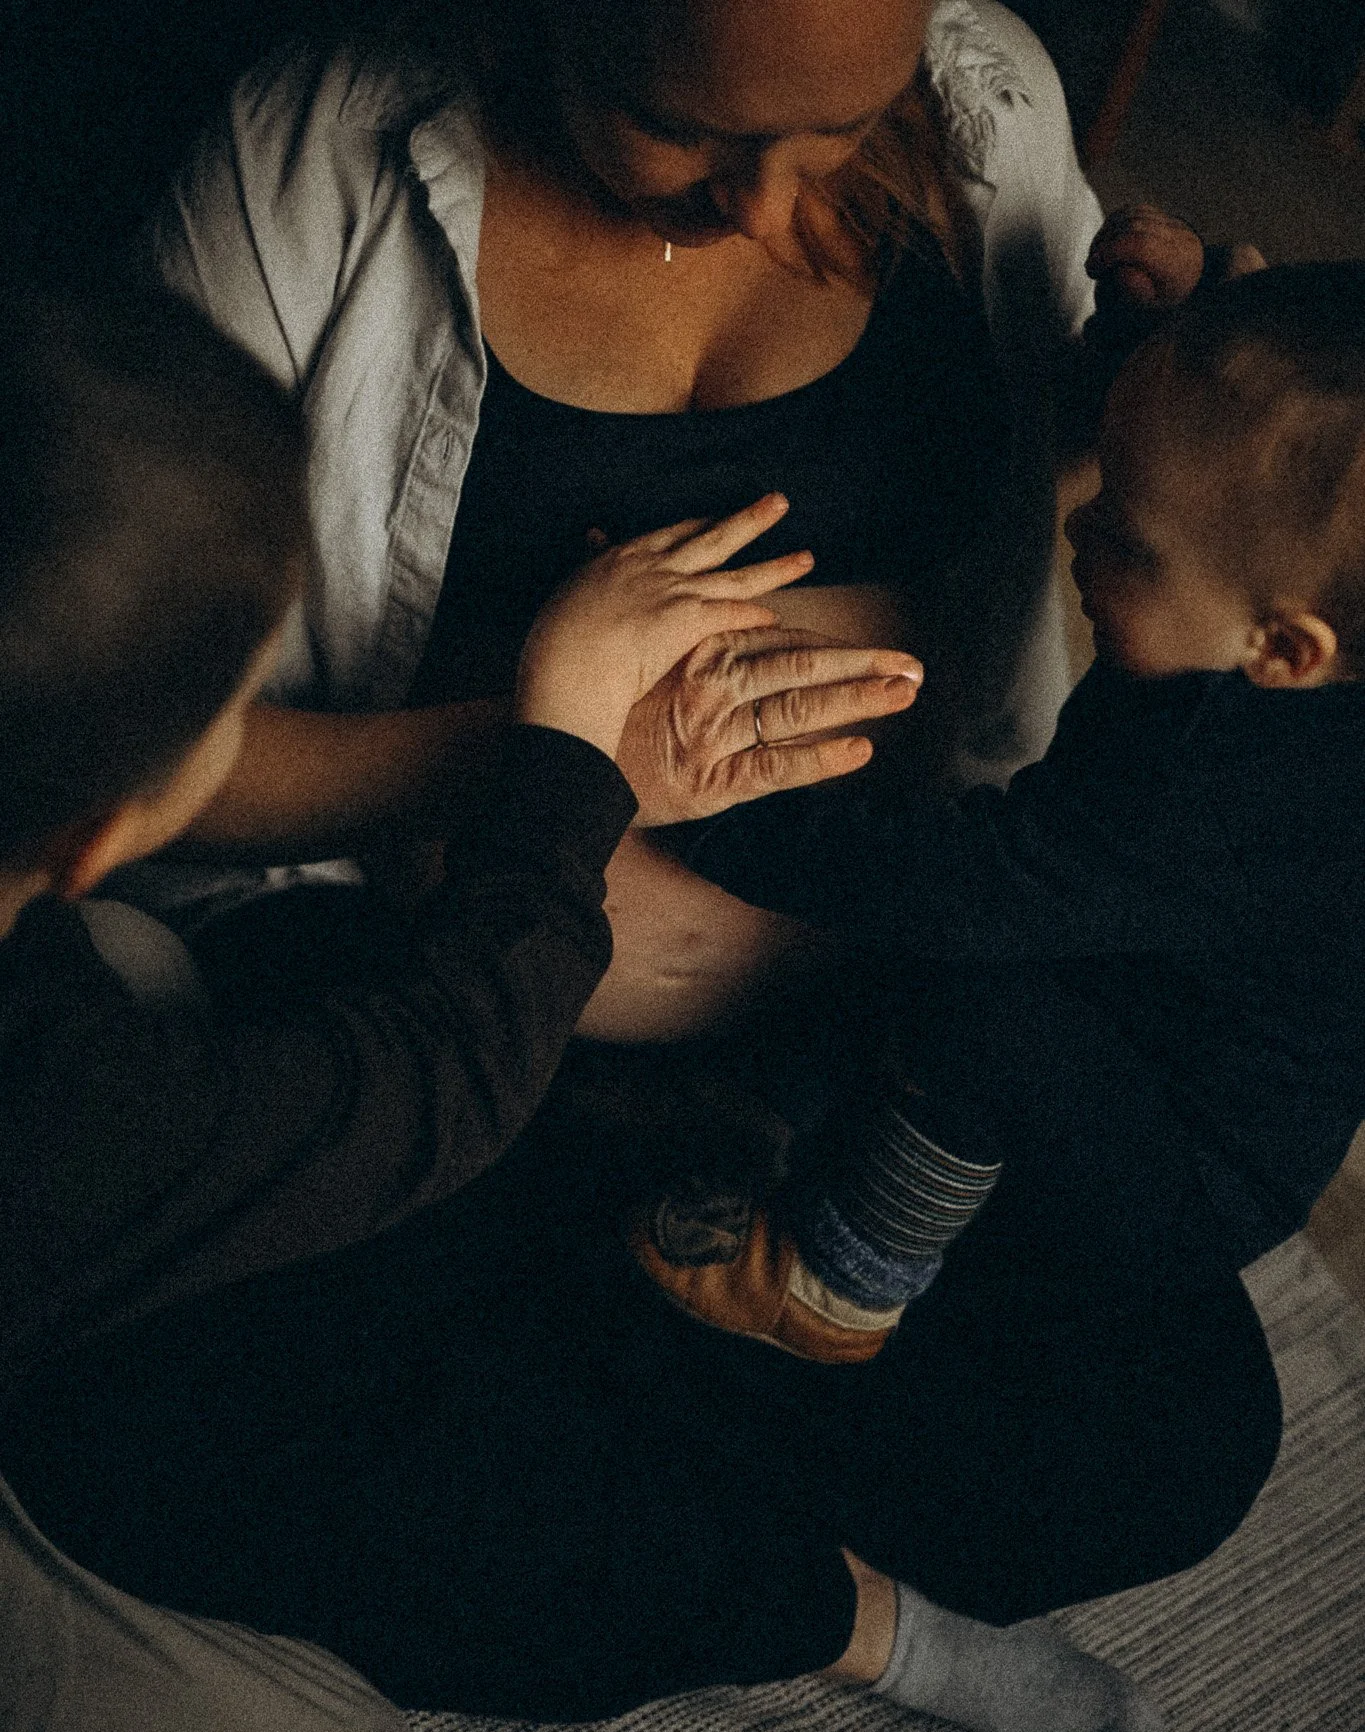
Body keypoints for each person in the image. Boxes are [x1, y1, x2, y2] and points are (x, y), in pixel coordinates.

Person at [0, 278, 860, 1732]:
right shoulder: (57, 1106)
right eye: (236, 706)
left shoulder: (55, 950)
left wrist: (555, 762)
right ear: (102, 824)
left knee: (147, 971)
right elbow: (439, 1079)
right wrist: (564, 765)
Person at [134, 0, 1227, 1040]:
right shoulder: (310, 157)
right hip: (425, 1016)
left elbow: (1059, 503)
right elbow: (123, 742)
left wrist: (1183, 415)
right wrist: (556, 762)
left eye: (841, 125)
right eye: (671, 127)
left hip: (918, 1008)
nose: (759, 209)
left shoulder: (991, 104)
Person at [635, 262, 1365, 1360]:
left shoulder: (1221, 801)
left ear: (1282, 649)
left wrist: (717, 818)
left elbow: (963, 888)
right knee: (958, 974)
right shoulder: (1262, 658)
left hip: (1181, 1173)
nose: (1083, 534)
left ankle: (840, 1281)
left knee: (975, 981)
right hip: (1124, 1012)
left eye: (1125, 540)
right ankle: (795, 1116)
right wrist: (1150, 328)